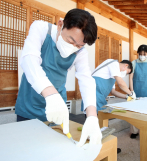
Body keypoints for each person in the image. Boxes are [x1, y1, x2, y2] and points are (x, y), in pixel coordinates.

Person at [15, 9, 102, 147]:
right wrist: (50, 94)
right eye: (70, 40)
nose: (74, 47)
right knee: (26, 147)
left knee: (53, 148)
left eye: (79, 45)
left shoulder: (80, 52)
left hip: (58, 107)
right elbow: (29, 60)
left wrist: (92, 116)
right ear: (61, 24)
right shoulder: (42, 29)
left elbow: (86, 80)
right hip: (30, 103)